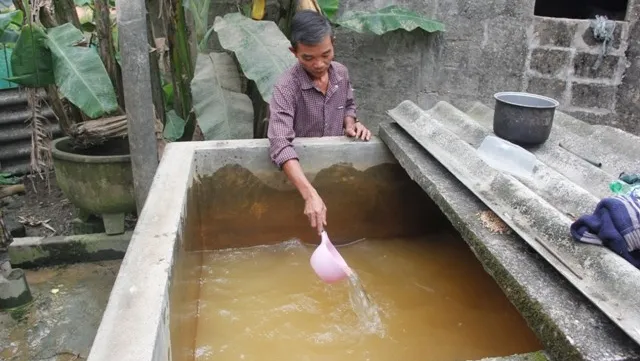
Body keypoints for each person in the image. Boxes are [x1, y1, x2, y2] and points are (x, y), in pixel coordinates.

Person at [267, 10, 372, 235]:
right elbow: (279, 143)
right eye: (308, 57)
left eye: (326, 54)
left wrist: (351, 125)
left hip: (334, 172)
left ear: (333, 43)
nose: (319, 64)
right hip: (299, 179)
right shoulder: (286, 87)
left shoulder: (341, 74)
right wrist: (309, 193)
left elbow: (349, 105)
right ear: (293, 52)